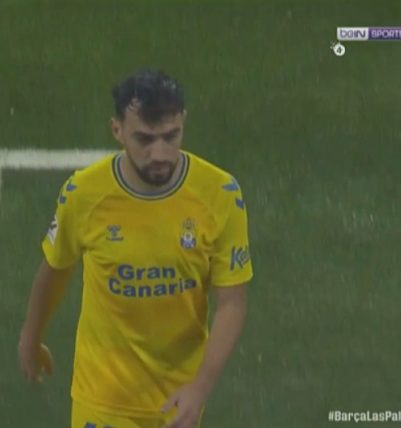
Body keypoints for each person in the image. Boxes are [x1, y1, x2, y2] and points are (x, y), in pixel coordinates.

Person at [18, 69, 253, 428]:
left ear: (183, 124)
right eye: (144, 139)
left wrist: (199, 388)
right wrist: (31, 338)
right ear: (117, 130)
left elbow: (232, 302)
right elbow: (56, 268)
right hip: (102, 397)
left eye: (170, 136)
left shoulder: (220, 195)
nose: (159, 153)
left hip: (178, 401)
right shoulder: (84, 194)